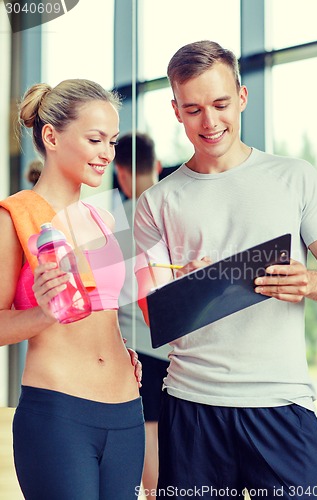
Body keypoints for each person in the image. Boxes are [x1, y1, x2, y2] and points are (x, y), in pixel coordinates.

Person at [133, 40, 317, 499]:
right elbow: (153, 315)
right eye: (192, 109)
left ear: (242, 97)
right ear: (175, 110)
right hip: (192, 408)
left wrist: (311, 281)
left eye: (220, 104)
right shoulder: (156, 203)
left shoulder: (295, 177)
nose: (209, 122)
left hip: (281, 404)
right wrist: (187, 284)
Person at [0, 79, 145, 500]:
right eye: (95, 139)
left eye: (113, 141)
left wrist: (120, 350)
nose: (107, 153)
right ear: (51, 136)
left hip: (126, 413)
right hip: (59, 414)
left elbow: (104, 317)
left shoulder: (102, 220)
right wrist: (43, 313)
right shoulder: (15, 216)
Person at [115, 132, 170, 499]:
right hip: (180, 350)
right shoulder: (175, 217)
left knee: (150, 434)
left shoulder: (116, 224)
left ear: (120, 173)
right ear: (158, 166)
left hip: (139, 350)